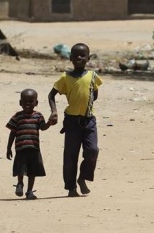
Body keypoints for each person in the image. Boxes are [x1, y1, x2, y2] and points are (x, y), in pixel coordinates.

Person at [47, 43, 103, 197]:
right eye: (76, 55)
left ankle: (83, 177)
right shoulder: (65, 78)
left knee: (92, 150)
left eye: (82, 55)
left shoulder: (93, 76)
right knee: (71, 155)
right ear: (70, 58)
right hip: (72, 121)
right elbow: (51, 95)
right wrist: (54, 112)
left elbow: (94, 95)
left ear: (88, 58)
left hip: (89, 120)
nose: (79, 57)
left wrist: (85, 107)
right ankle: (71, 187)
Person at [6, 88, 51, 200]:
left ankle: (29, 191)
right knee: (20, 168)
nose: (28, 104)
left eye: (31, 101)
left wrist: (50, 122)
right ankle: (20, 184)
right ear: (20, 103)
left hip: (34, 148)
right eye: (25, 101)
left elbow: (43, 127)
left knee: (32, 170)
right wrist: (8, 148)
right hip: (21, 148)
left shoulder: (38, 116)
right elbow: (12, 132)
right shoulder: (17, 116)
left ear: (36, 103)